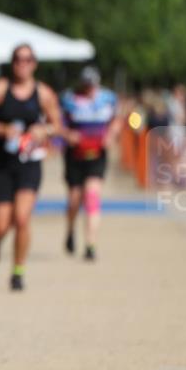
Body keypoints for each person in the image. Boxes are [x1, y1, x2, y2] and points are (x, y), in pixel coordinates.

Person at [0, 44, 66, 291]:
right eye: (18, 59)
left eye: (27, 59)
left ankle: (18, 271)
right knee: (2, 224)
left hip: (29, 162)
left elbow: (58, 125)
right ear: (12, 62)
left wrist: (44, 130)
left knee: (22, 218)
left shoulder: (43, 93)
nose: (22, 64)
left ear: (34, 63)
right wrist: (1, 129)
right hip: (2, 163)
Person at [60, 66, 121, 261]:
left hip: (97, 154)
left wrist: (111, 135)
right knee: (74, 199)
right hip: (75, 155)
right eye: (86, 85)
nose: (89, 89)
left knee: (92, 196)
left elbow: (117, 120)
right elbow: (57, 122)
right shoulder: (69, 99)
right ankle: (70, 229)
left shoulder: (108, 98)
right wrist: (67, 135)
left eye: (92, 86)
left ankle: (90, 244)